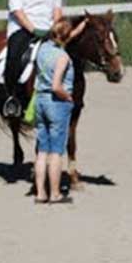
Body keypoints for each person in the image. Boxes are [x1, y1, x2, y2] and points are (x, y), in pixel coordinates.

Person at [4, 0, 63, 118]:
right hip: (23, 29)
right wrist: (33, 29)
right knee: (15, 55)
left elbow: (57, 9)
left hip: (49, 29)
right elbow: (17, 10)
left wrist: (56, 27)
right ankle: (12, 97)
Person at [33, 17, 87, 204]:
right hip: (56, 103)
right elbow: (57, 86)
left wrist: (80, 27)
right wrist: (68, 97)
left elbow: (65, 36)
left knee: (42, 150)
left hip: (39, 100)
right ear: (65, 38)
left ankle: (40, 193)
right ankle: (55, 193)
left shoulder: (42, 50)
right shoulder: (63, 57)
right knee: (56, 151)